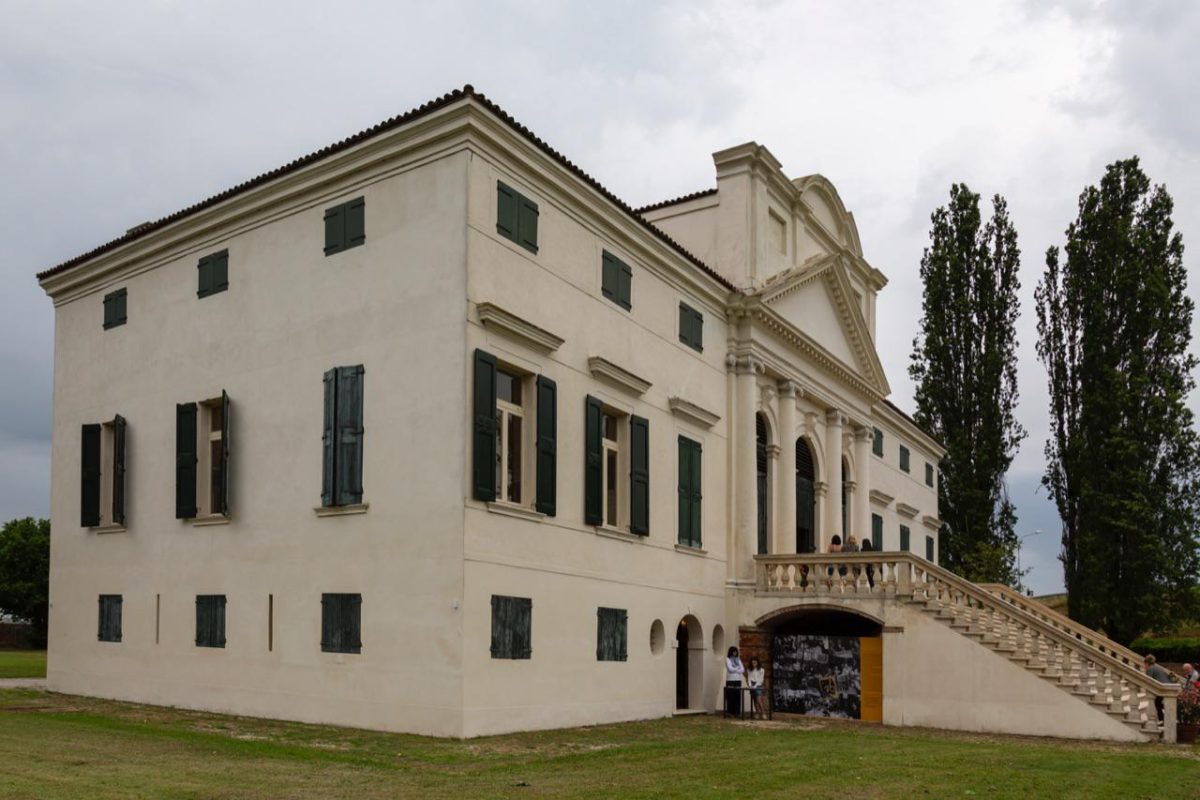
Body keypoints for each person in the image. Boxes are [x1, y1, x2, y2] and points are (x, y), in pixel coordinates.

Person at [1145, 655, 1172, 724]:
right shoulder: (1158, 667)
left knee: (1157, 703)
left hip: (1162, 688)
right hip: (1168, 686)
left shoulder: (1150, 669)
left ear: (1147, 663)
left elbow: (1149, 680)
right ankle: (1167, 716)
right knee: (1159, 703)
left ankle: (1162, 719)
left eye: (1145, 664)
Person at [725, 646, 745, 716]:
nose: (735, 653)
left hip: (738, 680)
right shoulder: (728, 659)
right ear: (731, 652)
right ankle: (730, 712)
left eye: (736, 652)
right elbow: (730, 669)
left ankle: (737, 712)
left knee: (737, 696)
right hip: (730, 680)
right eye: (734, 651)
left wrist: (736, 669)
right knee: (730, 696)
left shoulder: (738, 660)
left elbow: (743, 669)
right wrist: (738, 668)